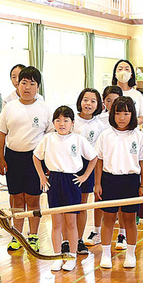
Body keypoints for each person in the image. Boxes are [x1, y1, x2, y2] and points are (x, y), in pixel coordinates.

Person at [33, 106, 98, 272]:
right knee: (56, 222)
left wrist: (84, 177)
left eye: (66, 120)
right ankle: (57, 256)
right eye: (58, 120)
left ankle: (71, 256)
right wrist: (42, 176)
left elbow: (94, 158)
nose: (62, 124)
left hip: (72, 181)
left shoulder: (78, 139)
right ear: (54, 122)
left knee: (71, 222)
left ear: (72, 123)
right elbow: (36, 156)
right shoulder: (48, 139)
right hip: (54, 180)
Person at [0, 66, 50, 253]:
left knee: (33, 200)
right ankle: (16, 235)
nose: (27, 87)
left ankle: (33, 236)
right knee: (16, 198)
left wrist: (47, 164)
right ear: (18, 85)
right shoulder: (9, 107)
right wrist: (0, 158)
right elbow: (1, 133)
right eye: (23, 83)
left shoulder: (44, 108)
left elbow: (50, 138)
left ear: (38, 87)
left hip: (35, 160)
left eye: (32, 84)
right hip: (13, 158)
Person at [94, 96, 143, 270]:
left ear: (132, 114)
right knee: (108, 218)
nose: (122, 117)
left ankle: (131, 254)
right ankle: (105, 253)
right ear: (112, 114)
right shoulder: (105, 135)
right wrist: (97, 184)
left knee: (129, 220)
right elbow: (99, 161)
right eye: (118, 113)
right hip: (109, 180)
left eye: (126, 113)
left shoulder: (138, 136)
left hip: (131, 181)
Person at [73, 88, 109, 249]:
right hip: (70, 166)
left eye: (93, 101)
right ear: (80, 101)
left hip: (89, 166)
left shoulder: (100, 125)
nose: (88, 104)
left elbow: (100, 152)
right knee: (68, 206)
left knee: (82, 204)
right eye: (85, 99)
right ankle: (67, 241)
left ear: (98, 105)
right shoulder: (71, 120)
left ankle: (79, 239)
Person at [111, 59, 143, 125]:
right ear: (115, 74)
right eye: (120, 69)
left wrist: (132, 122)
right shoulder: (110, 93)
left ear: (131, 75)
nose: (123, 72)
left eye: (127, 69)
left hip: (132, 132)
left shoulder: (137, 94)